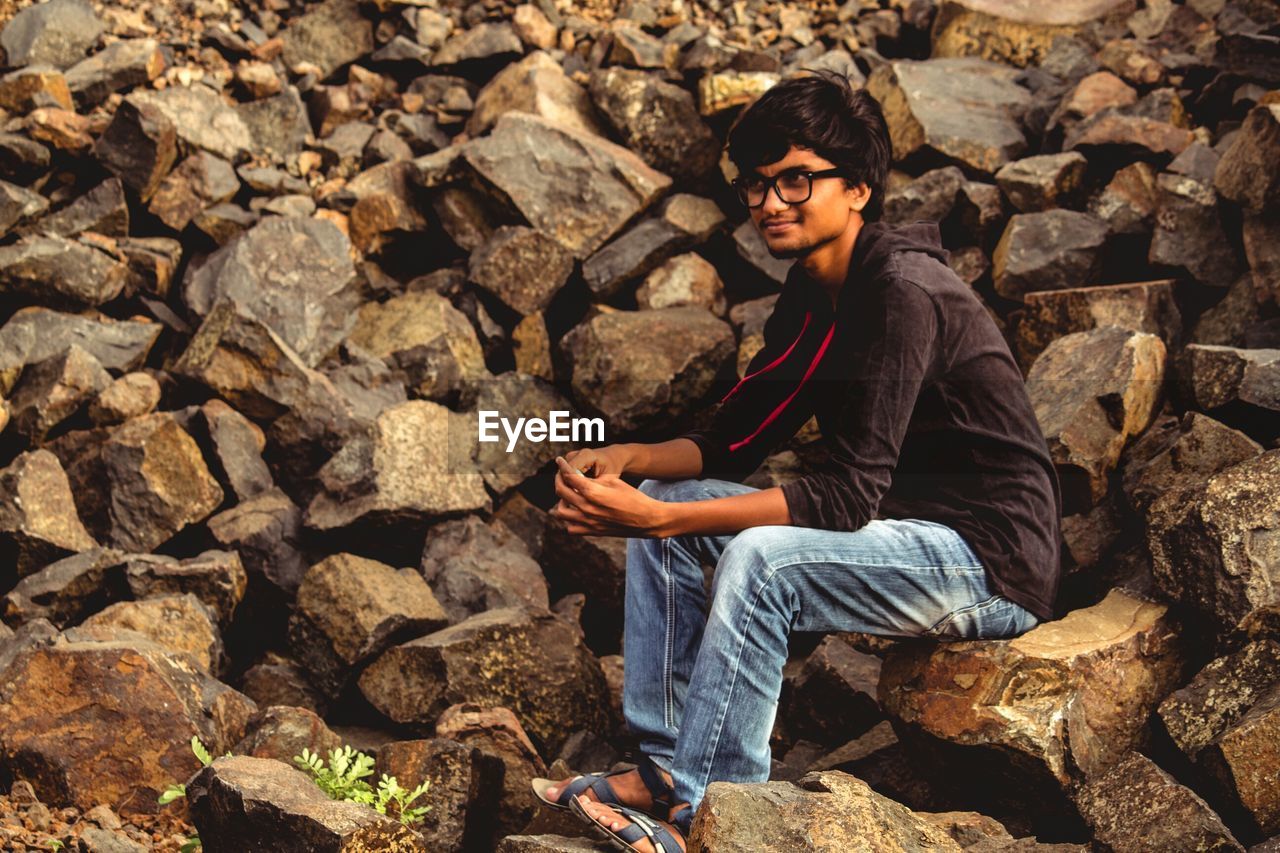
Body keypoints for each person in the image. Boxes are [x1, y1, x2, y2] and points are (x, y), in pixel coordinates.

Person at [533, 69, 1064, 853]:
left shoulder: (903, 290)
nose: (768, 203)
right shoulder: (816, 293)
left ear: (856, 188)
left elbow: (847, 496)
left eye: (794, 180)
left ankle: (714, 817)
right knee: (669, 487)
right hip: (905, 536)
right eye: (755, 184)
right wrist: (635, 462)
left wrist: (663, 518)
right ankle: (663, 766)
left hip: (988, 558)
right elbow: (735, 444)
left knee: (759, 560)